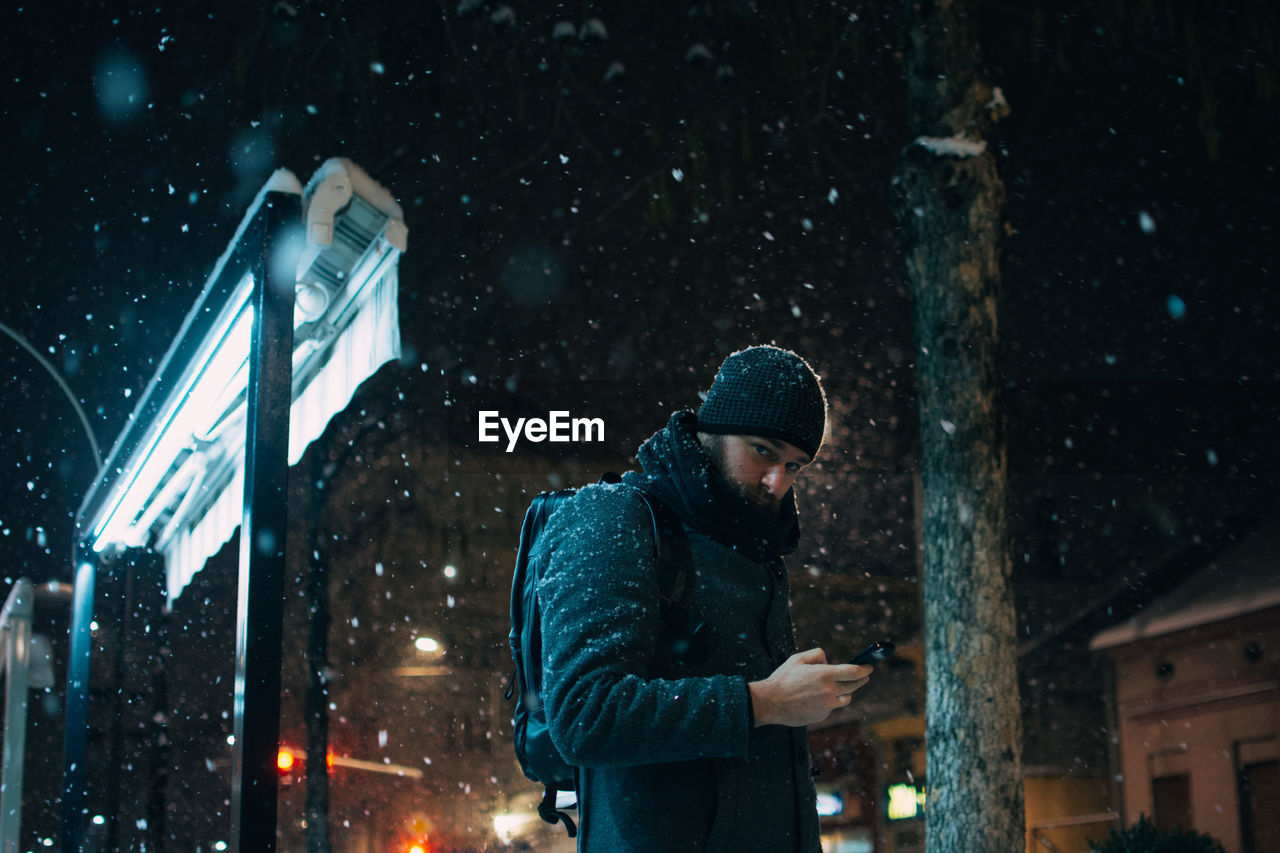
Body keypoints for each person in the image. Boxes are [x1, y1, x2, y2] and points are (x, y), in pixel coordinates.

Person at [535, 345, 872, 852]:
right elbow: (586, 714)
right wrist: (766, 701)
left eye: (795, 466)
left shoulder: (756, 549)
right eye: (763, 451)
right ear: (712, 431)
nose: (776, 482)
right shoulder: (615, 518)